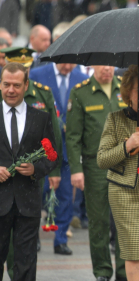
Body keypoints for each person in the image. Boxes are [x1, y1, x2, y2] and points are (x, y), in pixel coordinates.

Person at [0, 47, 63, 279]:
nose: (11, 90)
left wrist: (36, 169)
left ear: (26, 86)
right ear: (0, 84)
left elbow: (53, 154)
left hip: (28, 200)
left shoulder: (41, 117)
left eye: (17, 85)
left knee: (26, 261)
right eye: (6, 84)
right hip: (0, 199)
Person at [97, 65, 139, 281]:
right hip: (125, 193)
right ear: (127, 93)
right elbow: (102, 159)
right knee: (134, 248)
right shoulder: (116, 119)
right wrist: (127, 146)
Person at [66, 65, 127, 281]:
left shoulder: (126, 89)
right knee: (98, 220)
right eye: (102, 66)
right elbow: (73, 136)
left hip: (124, 163)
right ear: (93, 67)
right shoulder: (81, 92)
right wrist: (76, 170)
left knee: (123, 220)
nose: (106, 70)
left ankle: (124, 270)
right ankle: (102, 270)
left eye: (110, 65)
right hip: (95, 165)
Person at [30, 61, 88, 255]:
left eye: (72, 63)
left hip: (67, 148)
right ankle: (33, 237)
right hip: (42, 147)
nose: (68, 66)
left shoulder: (81, 78)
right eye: (65, 62)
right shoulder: (38, 74)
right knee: (39, 193)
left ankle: (61, 238)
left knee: (65, 196)